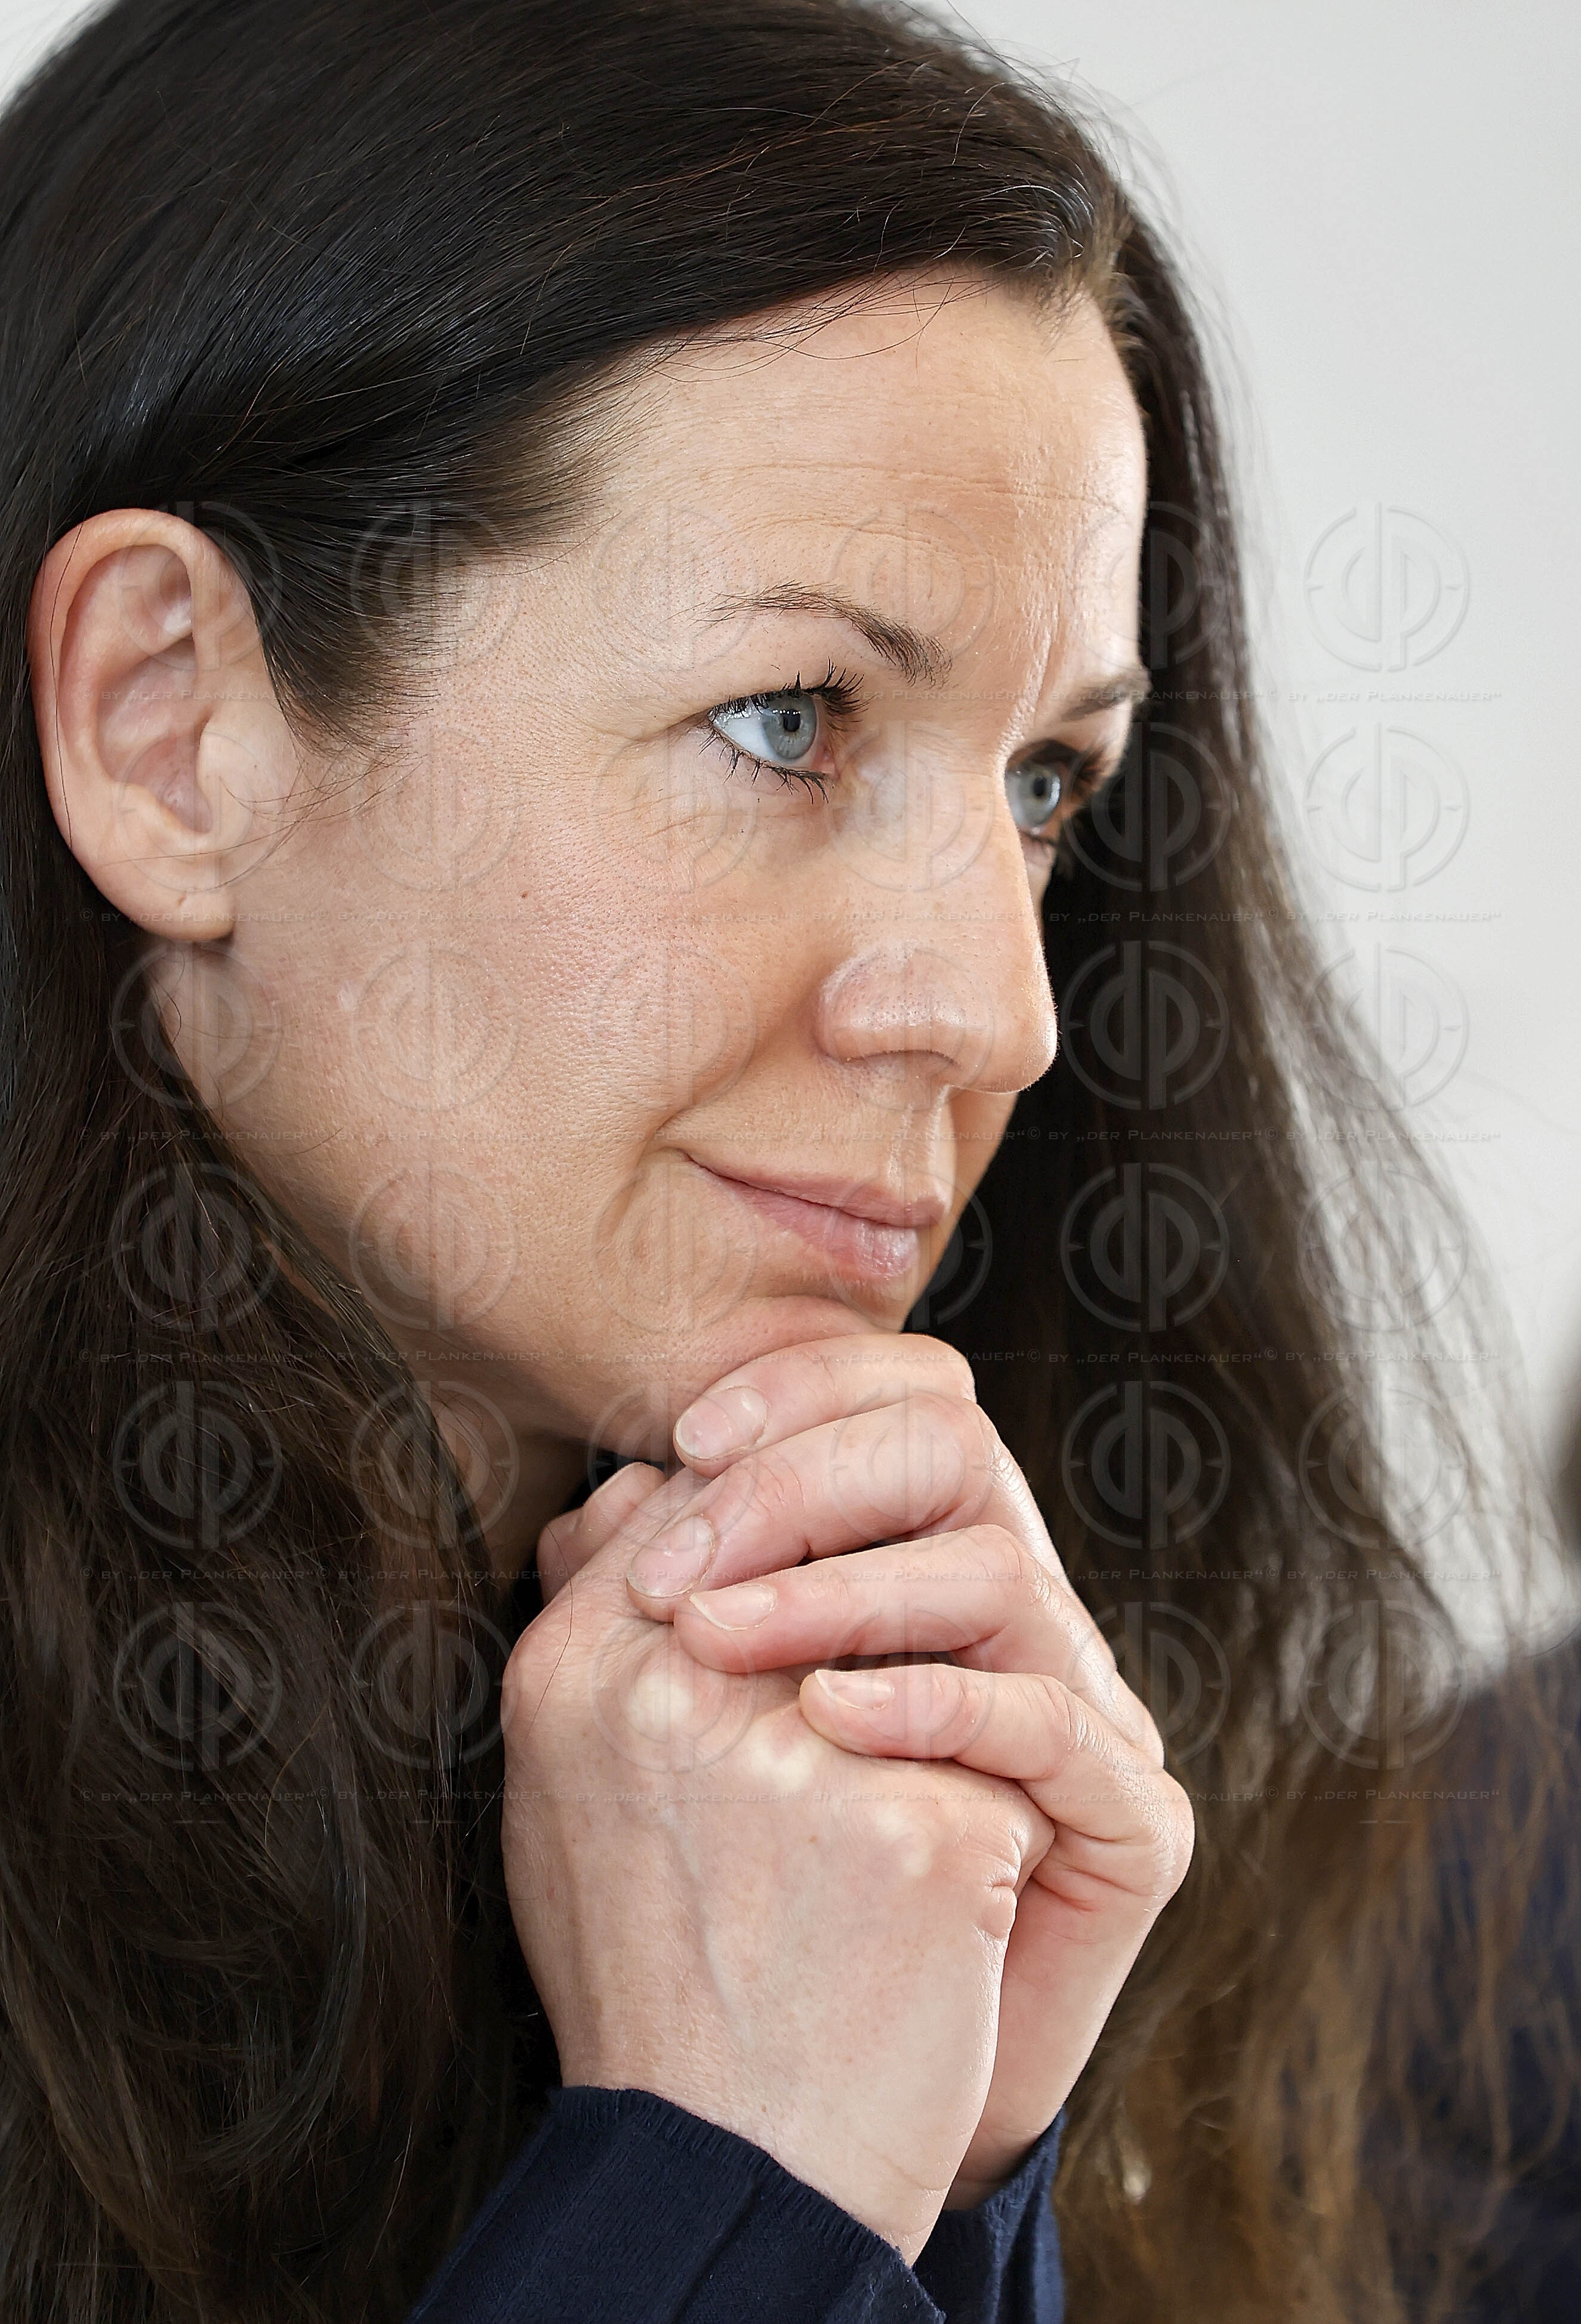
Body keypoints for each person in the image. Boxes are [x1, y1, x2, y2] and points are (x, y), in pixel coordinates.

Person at [0, 2, 1569, 2319]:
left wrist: (953, 2184)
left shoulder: (822, 1824)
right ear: (172, 726)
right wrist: (733, 2175)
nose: (1000, 1008)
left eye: (1045, 784)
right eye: (788, 722)